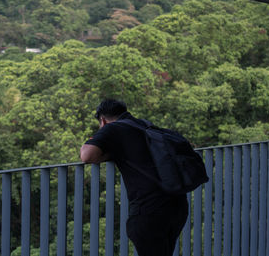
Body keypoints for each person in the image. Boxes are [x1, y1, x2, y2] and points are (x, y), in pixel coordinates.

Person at [80, 99, 188, 256]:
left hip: (149, 211)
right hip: (176, 205)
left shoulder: (112, 129)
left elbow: (86, 156)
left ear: (102, 120)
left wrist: (91, 144)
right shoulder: (143, 125)